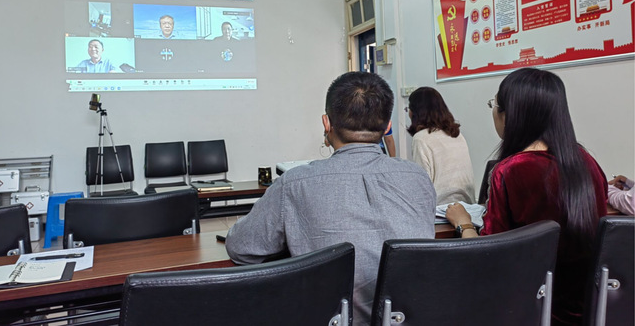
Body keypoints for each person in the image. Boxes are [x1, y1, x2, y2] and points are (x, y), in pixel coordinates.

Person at [225, 71, 436, 326]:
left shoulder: (295, 183)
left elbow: (241, 248)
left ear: (327, 123)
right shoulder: (417, 177)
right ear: (387, 125)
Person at [445, 67, 607, 326]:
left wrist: (463, 223)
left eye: (494, 105)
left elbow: (487, 257)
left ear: (509, 115)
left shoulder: (510, 171)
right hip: (591, 311)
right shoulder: (587, 162)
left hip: (530, 311)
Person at [406, 87, 475, 204]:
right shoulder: (457, 134)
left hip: (441, 209)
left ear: (415, 113)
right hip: (468, 207)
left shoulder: (421, 138)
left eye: (409, 109)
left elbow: (422, 187)